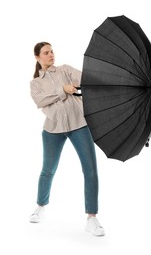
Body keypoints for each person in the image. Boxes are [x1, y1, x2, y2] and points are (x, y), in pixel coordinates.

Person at [29, 42, 105, 236]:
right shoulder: (35, 83)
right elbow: (41, 101)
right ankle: (41, 206)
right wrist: (63, 90)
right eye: (46, 53)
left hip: (80, 125)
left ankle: (92, 217)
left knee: (90, 169)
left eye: (52, 51)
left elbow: (83, 79)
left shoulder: (65, 70)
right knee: (48, 169)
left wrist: (91, 78)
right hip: (53, 130)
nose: (51, 54)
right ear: (37, 57)